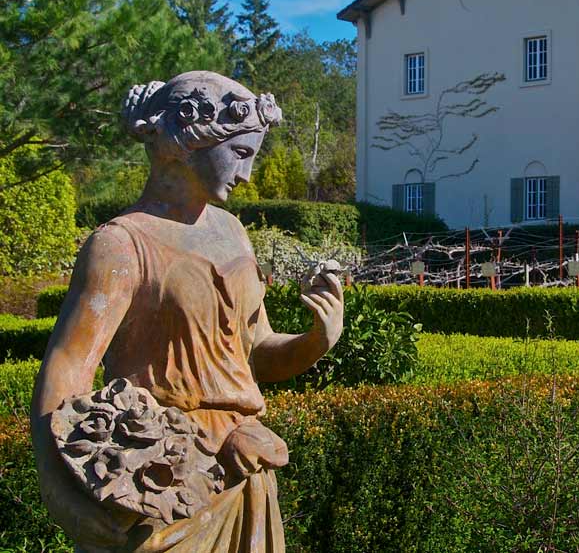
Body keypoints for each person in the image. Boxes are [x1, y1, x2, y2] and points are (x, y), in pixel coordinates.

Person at [31, 71, 344, 552]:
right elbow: (69, 368)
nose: (247, 175)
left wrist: (315, 340)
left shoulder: (233, 232)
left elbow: (256, 355)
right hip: (164, 481)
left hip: (245, 474)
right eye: (240, 154)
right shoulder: (121, 244)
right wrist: (62, 493)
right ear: (188, 143)